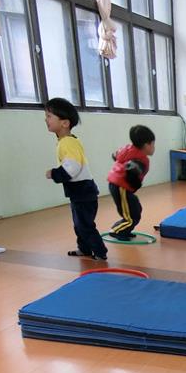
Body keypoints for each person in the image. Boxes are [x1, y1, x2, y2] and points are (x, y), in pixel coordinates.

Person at [44, 98, 107, 261]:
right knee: (79, 225)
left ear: (65, 123)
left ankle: (100, 252)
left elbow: (72, 167)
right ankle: (84, 249)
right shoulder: (66, 141)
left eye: (49, 116)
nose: (46, 119)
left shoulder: (67, 142)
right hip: (79, 192)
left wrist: (54, 173)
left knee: (85, 225)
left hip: (83, 192)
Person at [107, 125, 156, 240]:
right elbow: (131, 170)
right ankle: (117, 231)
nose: (154, 147)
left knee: (136, 209)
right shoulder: (140, 159)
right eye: (153, 144)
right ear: (146, 145)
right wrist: (136, 181)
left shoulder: (128, 149)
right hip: (120, 187)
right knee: (131, 216)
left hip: (119, 186)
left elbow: (115, 155)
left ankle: (124, 230)